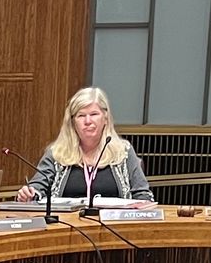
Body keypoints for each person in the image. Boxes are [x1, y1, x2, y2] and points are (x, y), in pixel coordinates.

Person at [14, 87, 152, 203]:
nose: (88, 121)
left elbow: (143, 195)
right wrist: (29, 194)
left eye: (94, 114)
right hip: (65, 228)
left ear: (105, 118)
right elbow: (37, 187)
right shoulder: (57, 153)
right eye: (81, 116)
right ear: (73, 122)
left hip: (114, 229)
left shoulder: (123, 151)